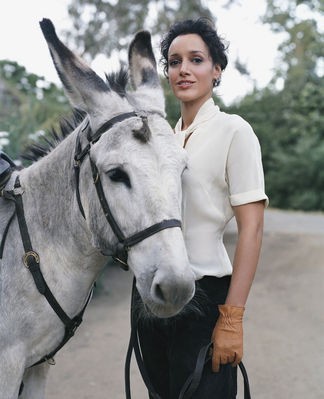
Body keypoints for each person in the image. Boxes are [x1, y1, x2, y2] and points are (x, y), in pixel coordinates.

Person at [134, 17, 268, 398]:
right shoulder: (163, 139)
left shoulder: (234, 131)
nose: (184, 70)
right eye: (174, 62)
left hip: (205, 297)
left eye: (196, 59)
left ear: (217, 69)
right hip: (153, 297)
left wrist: (232, 318)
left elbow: (252, 229)